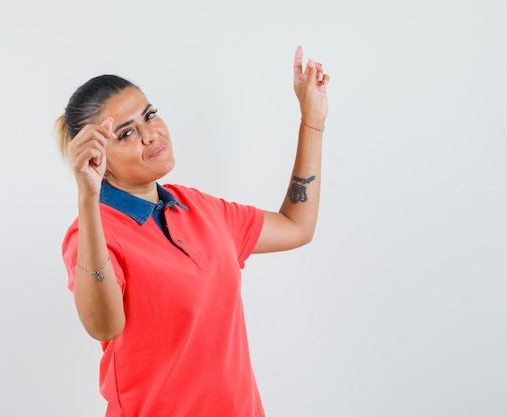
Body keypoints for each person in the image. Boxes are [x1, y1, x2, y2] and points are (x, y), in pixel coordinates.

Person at [54, 45, 329, 417]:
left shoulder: (198, 207)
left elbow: (297, 226)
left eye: (149, 115)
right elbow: (104, 326)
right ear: (97, 159)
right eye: (126, 134)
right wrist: (87, 198)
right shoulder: (92, 233)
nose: (150, 134)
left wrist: (311, 121)